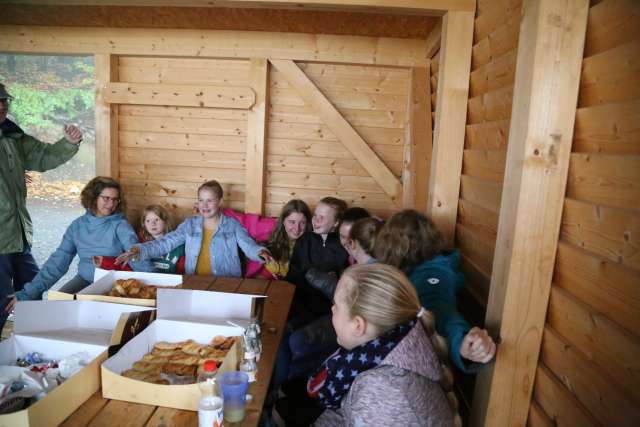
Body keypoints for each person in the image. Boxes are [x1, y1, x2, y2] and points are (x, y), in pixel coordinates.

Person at [274, 263, 459, 426]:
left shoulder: (382, 391)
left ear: (358, 325)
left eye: (336, 306)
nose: (332, 309)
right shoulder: (398, 339)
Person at [0, 82, 83, 326]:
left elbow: (43, 156)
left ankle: (32, 345)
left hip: (18, 234)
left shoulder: (13, 136)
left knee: (32, 288)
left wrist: (68, 142)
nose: (2, 105)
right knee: (2, 301)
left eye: (5, 100)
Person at [374, 209, 496, 372]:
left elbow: (442, 310)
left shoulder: (429, 277)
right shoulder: (428, 267)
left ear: (393, 246)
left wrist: (463, 344)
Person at [5, 177, 153, 308]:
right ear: (93, 198)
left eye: (115, 199)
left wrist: (155, 288)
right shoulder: (77, 226)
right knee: (57, 305)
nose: (111, 204)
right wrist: (28, 293)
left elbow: (137, 257)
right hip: (84, 279)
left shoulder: (121, 226)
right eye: (106, 198)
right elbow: (57, 263)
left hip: (114, 282)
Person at [116, 180, 272, 277]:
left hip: (227, 284)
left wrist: (260, 252)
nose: (204, 206)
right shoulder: (189, 225)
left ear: (219, 201)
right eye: (201, 200)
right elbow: (164, 243)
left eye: (209, 201)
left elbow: (249, 246)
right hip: (195, 283)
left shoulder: (232, 225)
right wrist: (138, 250)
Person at [94, 204, 186, 274]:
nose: (152, 224)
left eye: (156, 219)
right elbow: (129, 267)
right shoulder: (139, 245)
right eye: (148, 220)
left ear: (165, 221)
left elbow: (182, 273)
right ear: (144, 224)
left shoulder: (178, 245)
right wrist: (104, 262)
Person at [261, 199, 312, 279]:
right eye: (292, 222)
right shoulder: (272, 239)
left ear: (307, 223)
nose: (297, 228)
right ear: (283, 221)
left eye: (302, 223)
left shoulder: (310, 245)